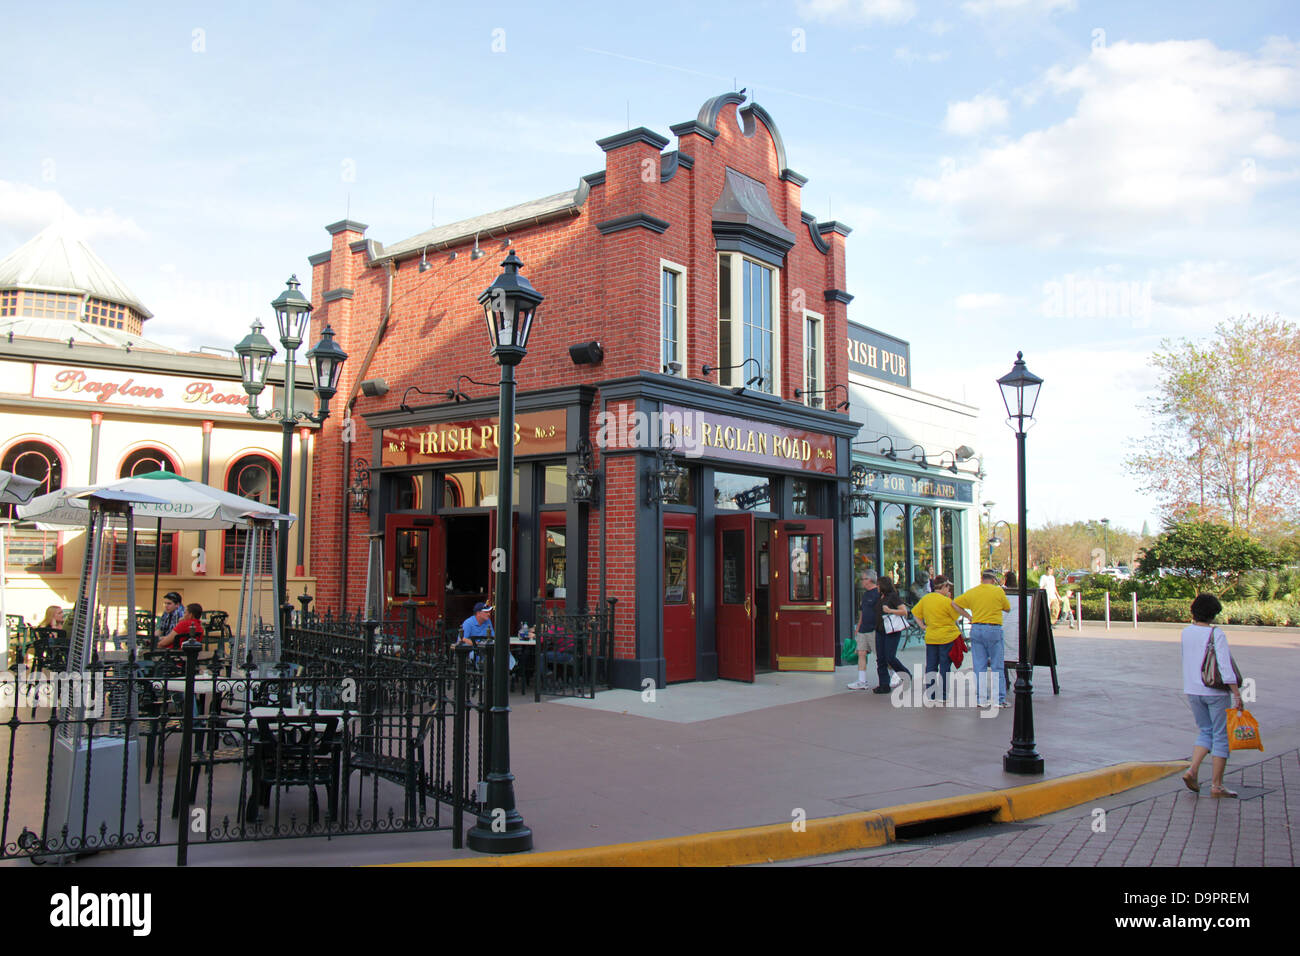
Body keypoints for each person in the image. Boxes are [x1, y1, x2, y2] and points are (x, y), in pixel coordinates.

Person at [1181, 593, 1243, 798]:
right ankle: (1217, 785)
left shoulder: (1186, 632)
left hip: (1192, 690)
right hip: (1215, 691)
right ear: (1213, 614)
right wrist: (1236, 694)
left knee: (1205, 731)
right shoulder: (1216, 634)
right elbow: (1225, 667)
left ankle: (1192, 770)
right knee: (1220, 736)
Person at [955, 571, 1012, 707]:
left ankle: (981, 699)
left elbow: (955, 604)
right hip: (993, 628)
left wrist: (969, 617)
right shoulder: (997, 592)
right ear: (993, 579)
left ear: (982, 578)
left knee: (979, 665)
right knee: (997, 665)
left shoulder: (973, 592)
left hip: (977, 628)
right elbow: (1008, 608)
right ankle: (998, 699)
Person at [911, 575, 968, 702]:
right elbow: (955, 617)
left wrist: (923, 626)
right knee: (944, 666)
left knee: (931, 665)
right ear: (943, 586)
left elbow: (915, 613)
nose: (949, 590)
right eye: (948, 587)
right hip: (947, 637)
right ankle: (943, 695)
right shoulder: (946, 601)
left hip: (931, 637)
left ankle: (930, 694)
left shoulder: (926, 599)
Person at [873, 575, 913, 694]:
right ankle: (884, 684)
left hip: (892, 631)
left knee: (889, 656)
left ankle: (905, 674)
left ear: (883, 585)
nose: (877, 587)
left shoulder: (893, 597)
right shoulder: (881, 597)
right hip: (880, 630)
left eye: (878, 585)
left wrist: (890, 611)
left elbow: (904, 611)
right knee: (880, 658)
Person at [847, 570, 880, 690]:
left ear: (870, 580)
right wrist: (858, 626)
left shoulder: (878, 593)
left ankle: (894, 675)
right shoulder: (865, 594)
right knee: (861, 653)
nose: (861, 581)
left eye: (863, 579)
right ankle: (862, 680)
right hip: (863, 629)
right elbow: (862, 612)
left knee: (880, 655)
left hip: (874, 629)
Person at [459, 602, 515, 671]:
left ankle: (509, 669)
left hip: (487, 648)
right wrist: (477, 644)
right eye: (486, 612)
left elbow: (493, 636)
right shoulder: (468, 623)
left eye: (489, 612)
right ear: (478, 613)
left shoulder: (488, 621)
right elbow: (463, 639)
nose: (489, 614)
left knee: (503, 651)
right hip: (474, 650)